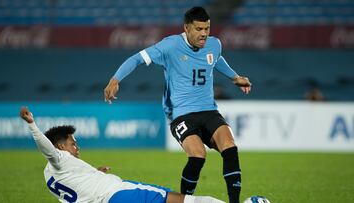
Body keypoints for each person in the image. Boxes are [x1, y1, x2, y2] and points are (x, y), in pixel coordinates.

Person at [104, 7, 251, 203]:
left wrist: (235, 77)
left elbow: (215, 60)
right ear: (187, 28)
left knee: (230, 148)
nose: (204, 34)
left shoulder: (214, 44)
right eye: (199, 29)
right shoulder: (170, 45)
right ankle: (185, 201)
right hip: (181, 114)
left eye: (207, 28)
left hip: (209, 110)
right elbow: (138, 58)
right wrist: (115, 79)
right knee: (198, 156)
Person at [19, 106, 225, 203]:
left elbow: (76, 186)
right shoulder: (57, 157)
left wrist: (94, 173)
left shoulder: (51, 176)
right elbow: (47, 150)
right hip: (119, 194)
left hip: (109, 197)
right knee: (183, 201)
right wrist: (32, 125)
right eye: (73, 144)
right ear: (60, 147)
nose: (77, 148)